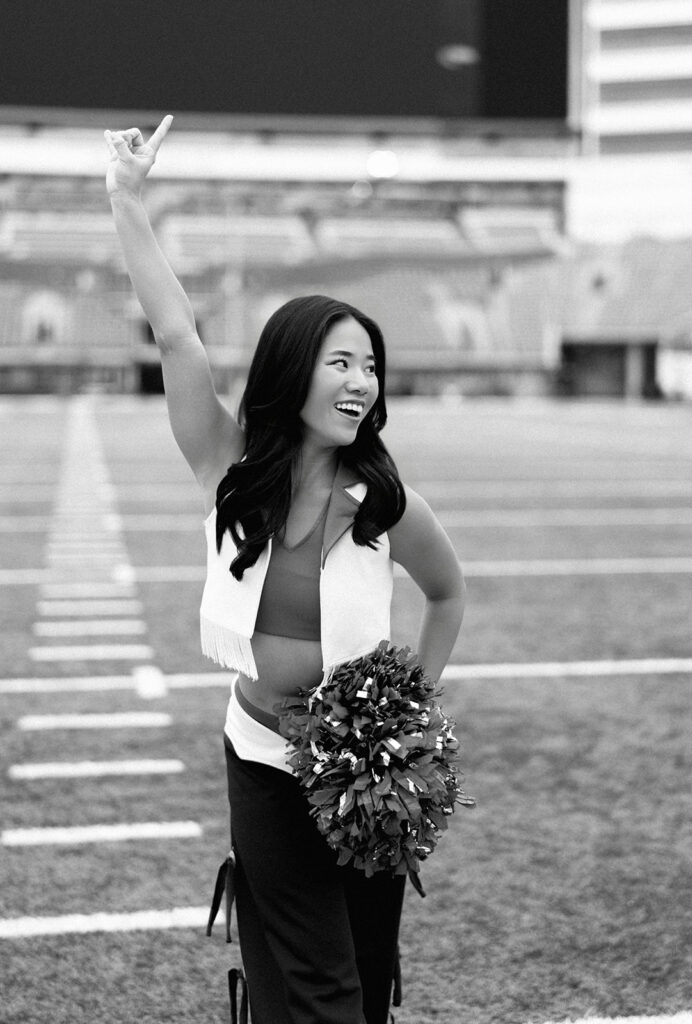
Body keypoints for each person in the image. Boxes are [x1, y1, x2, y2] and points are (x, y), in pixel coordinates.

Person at [105, 116, 466, 1024]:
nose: (362, 380)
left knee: (365, 968)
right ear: (293, 370)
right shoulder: (231, 469)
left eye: (372, 366)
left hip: (362, 777)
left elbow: (450, 593)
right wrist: (127, 201)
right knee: (318, 984)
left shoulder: (385, 503)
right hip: (265, 761)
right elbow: (181, 340)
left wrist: (402, 718)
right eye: (341, 360)